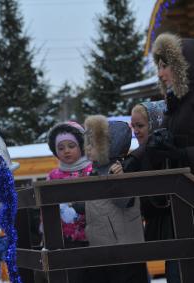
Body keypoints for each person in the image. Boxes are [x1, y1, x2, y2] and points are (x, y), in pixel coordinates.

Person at [147, 32, 194, 282]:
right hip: (186, 200)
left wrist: (183, 153)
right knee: (181, 269)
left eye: (165, 65)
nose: (160, 74)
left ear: (183, 65)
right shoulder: (177, 102)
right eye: (159, 66)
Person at [82, 115, 149, 283]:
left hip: (124, 249)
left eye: (93, 144)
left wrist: (117, 181)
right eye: (87, 143)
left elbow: (125, 201)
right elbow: (94, 205)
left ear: (110, 146)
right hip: (103, 248)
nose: (87, 148)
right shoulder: (95, 171)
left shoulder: (119, 169)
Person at [125, 101, 180, 282]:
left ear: (156, 124)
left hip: (176, 219)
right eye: (133, 126)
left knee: (177, 268)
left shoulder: (165, 150)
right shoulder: (140, 154)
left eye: (140, 126)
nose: (136, 131)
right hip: (161, 219)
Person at [40, 121, 92, 282]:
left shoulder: (90, 170)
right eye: (61, 148)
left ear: (81, 146)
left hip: (92, 238)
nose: (66, 151)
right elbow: (45, 208)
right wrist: (46, 230)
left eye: (71, 145)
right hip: (64, 241)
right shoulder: (53, 176)